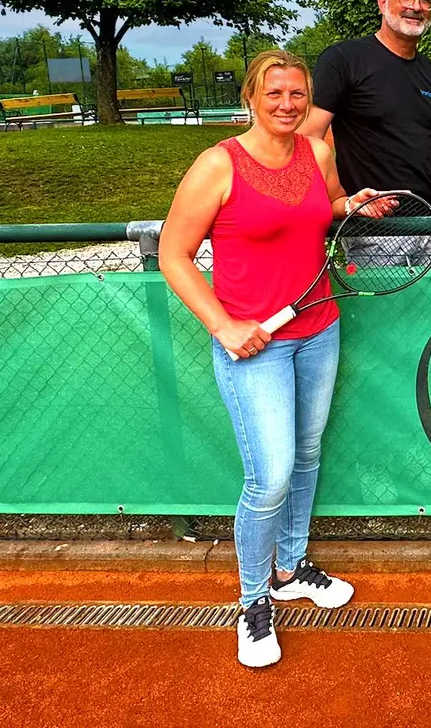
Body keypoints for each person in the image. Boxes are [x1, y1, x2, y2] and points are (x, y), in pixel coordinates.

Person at [158, 49, 387, 668]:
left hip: (319, 329)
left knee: (308, 456)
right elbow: (173, 256)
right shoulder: (217, 165)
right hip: (253, 345)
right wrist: (224, 325)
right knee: (271, 476)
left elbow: (325, 209)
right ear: (250, 99)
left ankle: (290, 567)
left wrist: (352, 204)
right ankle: (253, 601)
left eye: (297, 95)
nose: (287, 105)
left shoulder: (317, 150)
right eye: (274, 94)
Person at [303, 0, 431, 263]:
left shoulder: (430, 72)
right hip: (373, 232)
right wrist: (340, 202)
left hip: (429, 228)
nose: (416, 6)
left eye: (425, 0)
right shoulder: (344, 59)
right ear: (383, 2)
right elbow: (307, 143)